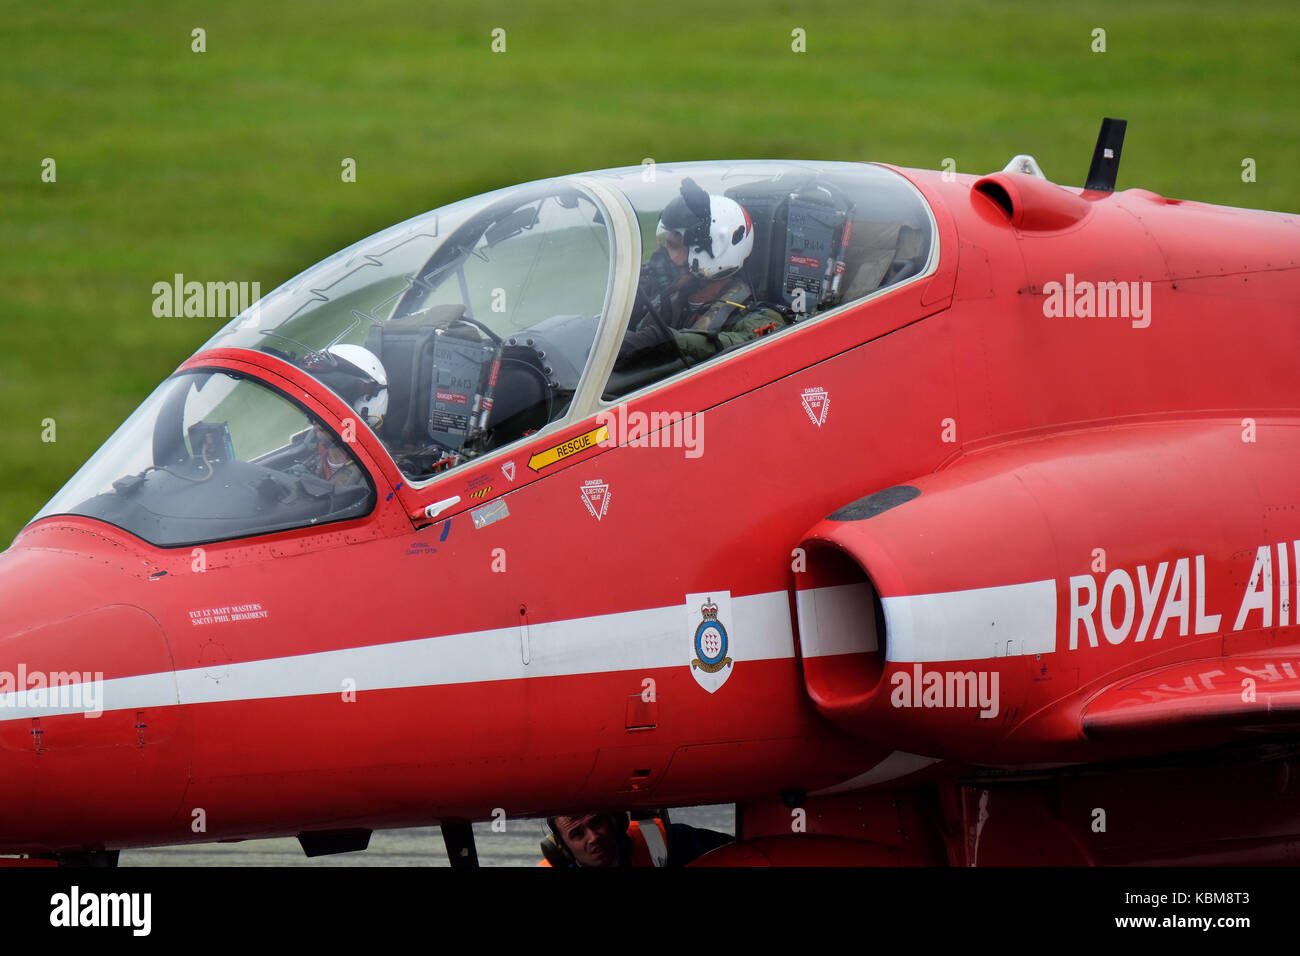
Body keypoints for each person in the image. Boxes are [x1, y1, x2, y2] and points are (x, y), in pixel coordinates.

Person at [615, 178, 791, 373]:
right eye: (665, 245)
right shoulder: (667, 297)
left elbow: (738, 345)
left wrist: (667, 341)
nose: (664, 257)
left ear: (715, 251)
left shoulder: (757, 318)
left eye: (674, 246)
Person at [538, 811, 733, 867]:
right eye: (577, 834)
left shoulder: (655, 839)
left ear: (614, 821)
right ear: (562, 848)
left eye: (597, 823)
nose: (594, 837)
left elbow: (737, 852)